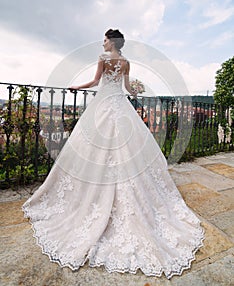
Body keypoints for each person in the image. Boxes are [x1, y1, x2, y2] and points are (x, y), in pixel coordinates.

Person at [22, 29, 205, 279]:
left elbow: (95, 82)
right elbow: (129, 89)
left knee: (93, 146)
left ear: (112, 42)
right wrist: (137, 89)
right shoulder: (126, 62)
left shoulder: (103, 58)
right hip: (120, 104)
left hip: (104, 104)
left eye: (106, 39)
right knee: (126, 148)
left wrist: (77, 86)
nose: (103, 42)